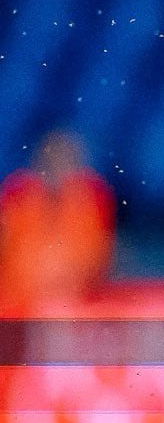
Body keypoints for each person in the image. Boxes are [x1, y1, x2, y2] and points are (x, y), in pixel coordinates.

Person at [0, 131, 117, 311]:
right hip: (17, 306)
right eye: (52, 160)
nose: (58, 168)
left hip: (73, 305)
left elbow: (98, 258)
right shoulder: (17, 195)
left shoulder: (91, 199)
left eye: (65, 160)